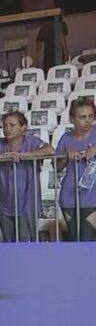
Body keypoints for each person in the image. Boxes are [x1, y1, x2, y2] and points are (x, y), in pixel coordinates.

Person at [0, 112, 54, 242]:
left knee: (26, 243)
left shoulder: (31, 141)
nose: (7, 129)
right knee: (8, 243)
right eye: (5, 126)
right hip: (3, 204)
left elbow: (50, 150)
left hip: (28, 204)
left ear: (23, 127)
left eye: (12, 125)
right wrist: (2, 156)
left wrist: (24, 155)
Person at [55, 98, 96, 242]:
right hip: (69, 196)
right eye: (82, 117)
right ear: (73, 119)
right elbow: (57, 167)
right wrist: (66, 156)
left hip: (92, 195)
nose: (88, 121)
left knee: (87, 240)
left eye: (91, 116)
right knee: (74, 240)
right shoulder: (66, 138)